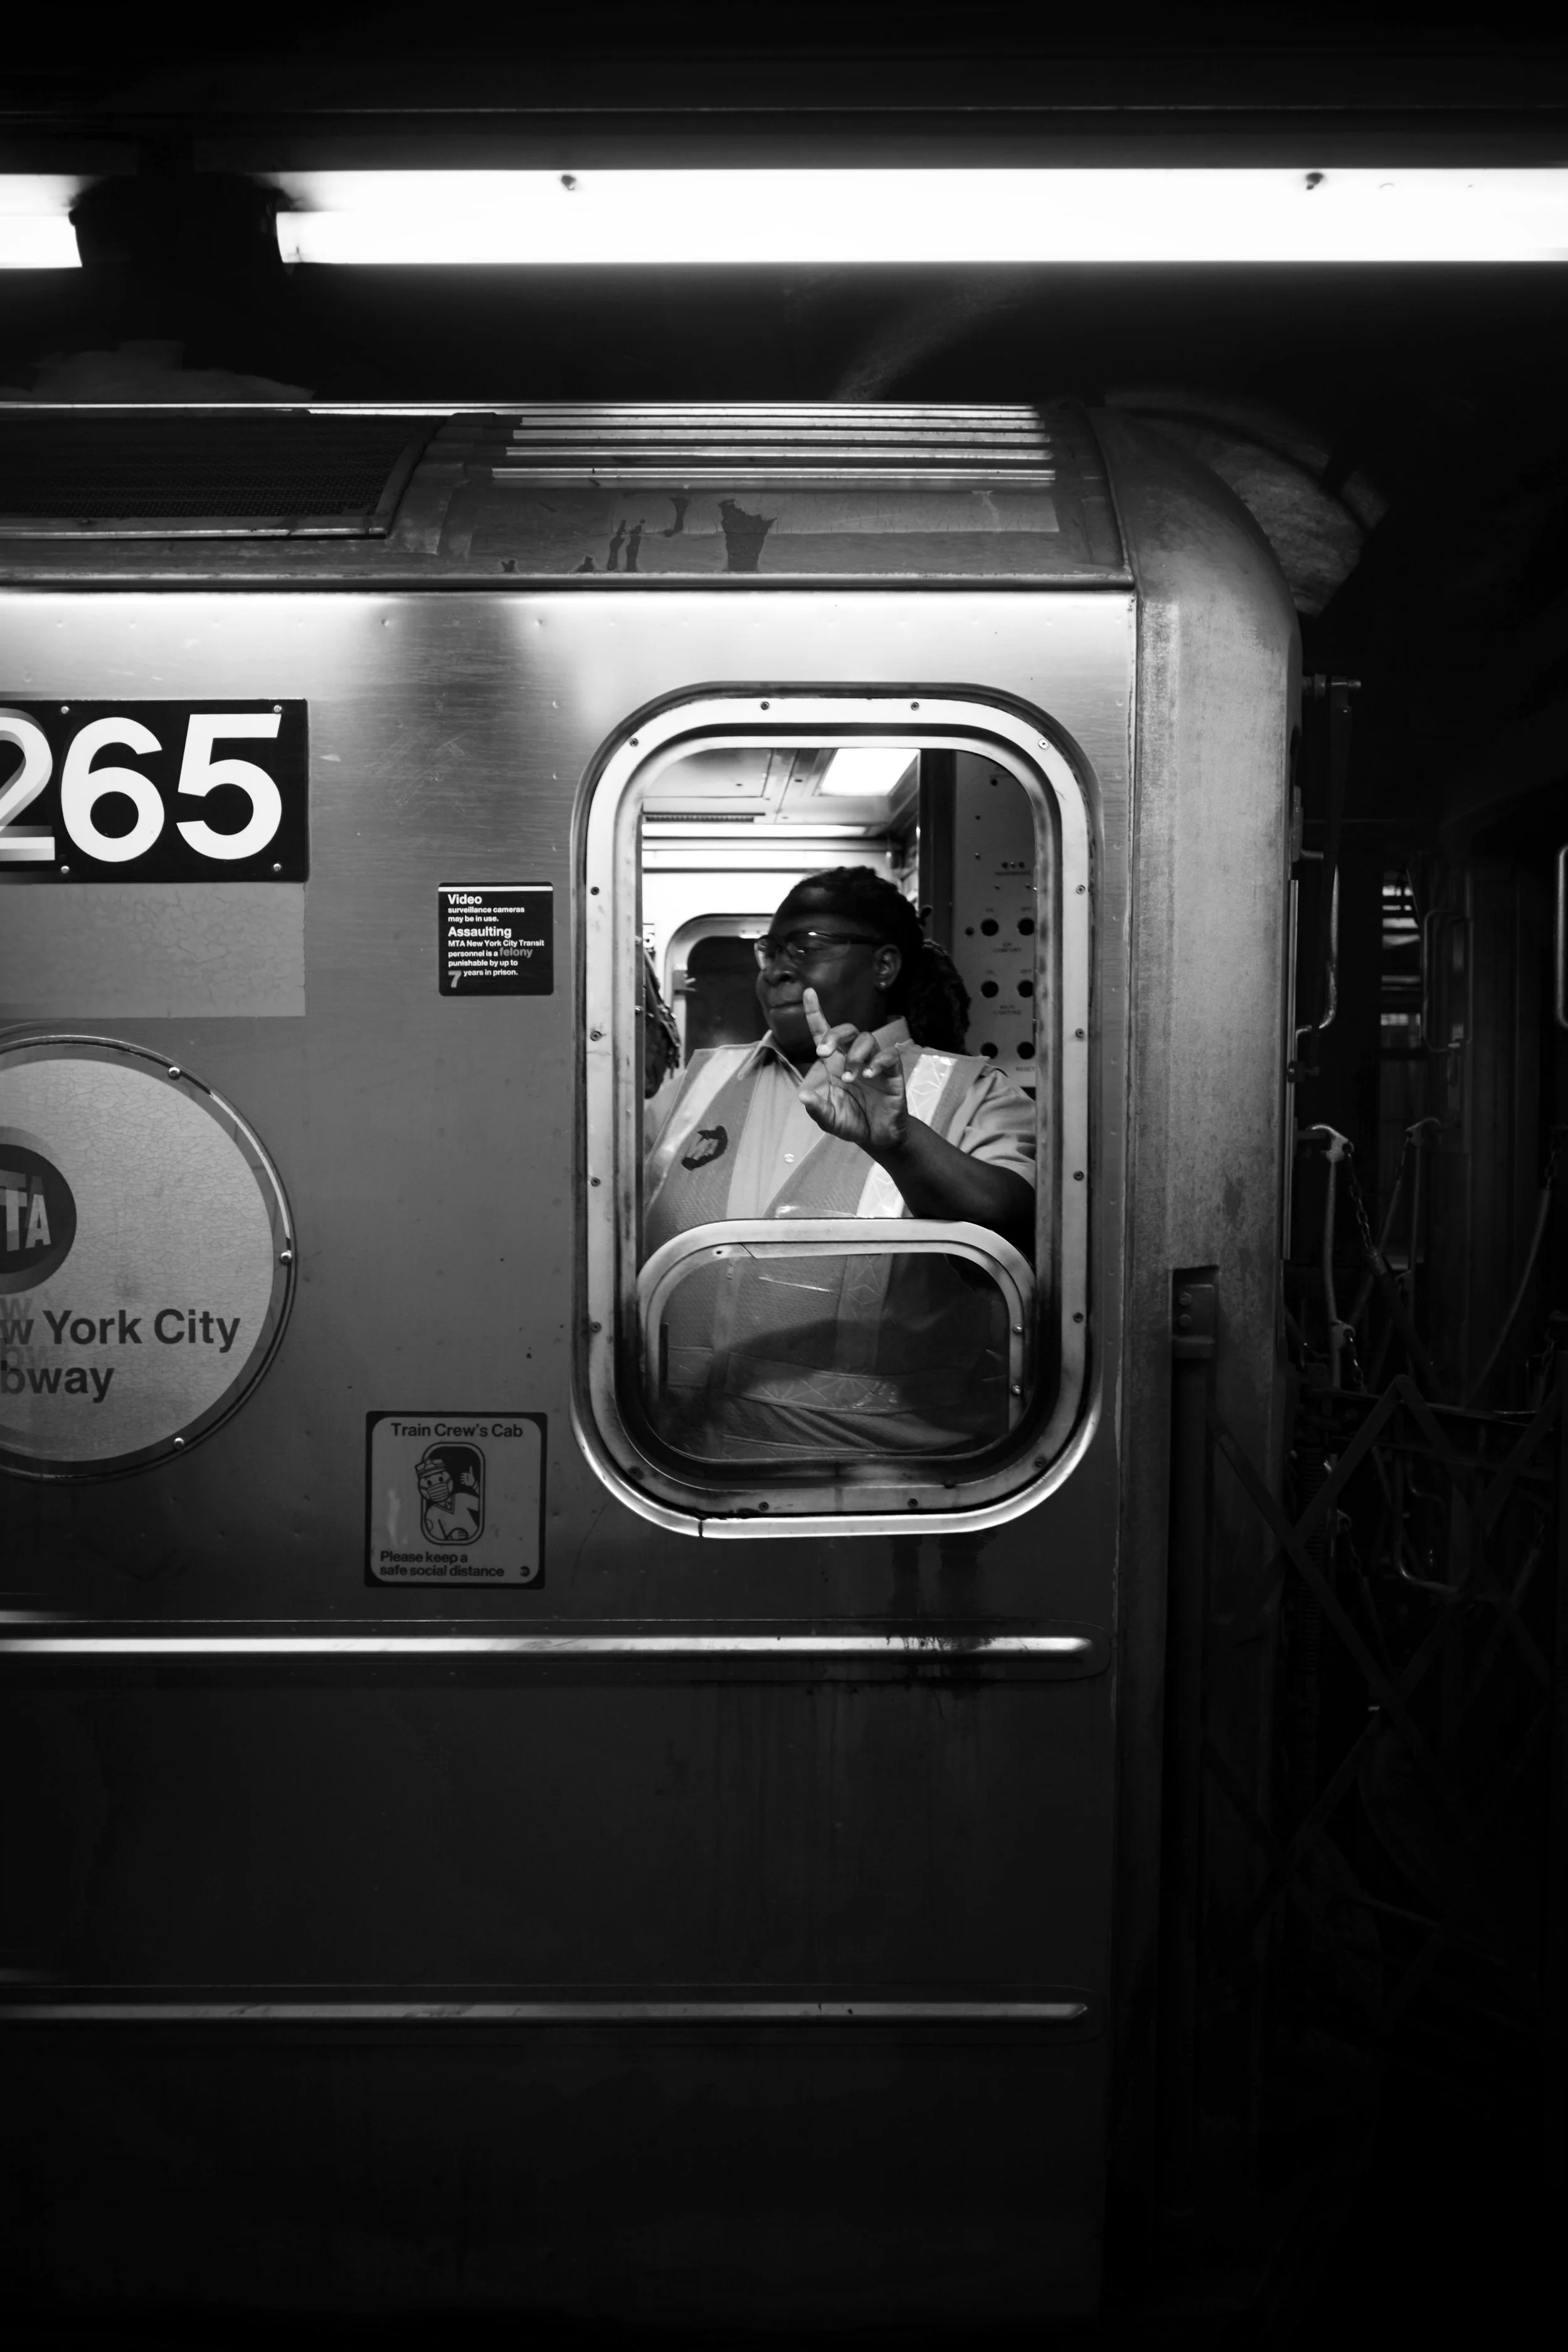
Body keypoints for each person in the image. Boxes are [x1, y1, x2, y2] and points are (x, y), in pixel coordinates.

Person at [644, 867, 1037, 1461]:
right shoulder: (696, 1085)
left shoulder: (974, 1093)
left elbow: (1012, 1236)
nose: (777, 967)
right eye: (770, 949)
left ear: (883, 966)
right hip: (682, 1471)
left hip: (886, 1490)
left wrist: (898, 1142)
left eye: (806, 947)